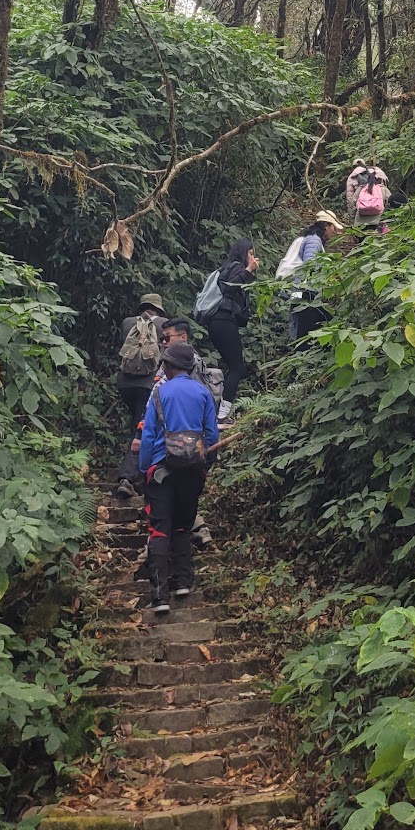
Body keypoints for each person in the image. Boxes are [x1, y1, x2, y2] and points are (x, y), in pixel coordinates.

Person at [138, 340, 219, 613]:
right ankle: (183, 582)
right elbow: (212, 435)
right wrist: (205, 464)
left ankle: (160, 596)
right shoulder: (202, 392)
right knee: (183, 526)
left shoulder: (160, 394)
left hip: (162, 470)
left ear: (169, 366)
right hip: (192, 471)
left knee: (159, 528)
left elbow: (148, 435)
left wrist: (143, 468)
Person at [116, 292, 166, 499]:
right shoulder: (165, 324)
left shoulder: (128, 323)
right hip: (148, 384)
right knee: (142, 427)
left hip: (125, 383)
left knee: (137, 422)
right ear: (158, 309)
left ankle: (137, 469)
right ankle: (127, 478)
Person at [206, 238, 259, 425]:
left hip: (217, 323)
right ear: (244, 253)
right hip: (224, 321)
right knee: (237, 367)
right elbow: (229, 288)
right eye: (250, 253)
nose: (253, 258)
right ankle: (222, 414)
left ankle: (217, 410)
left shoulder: (227, 267)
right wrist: (249, 270)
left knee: (231, 366)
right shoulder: (237, 267)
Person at [283, 210, 344, 339]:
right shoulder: (314, 241)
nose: (334, 232)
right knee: (311, 327)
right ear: (326, 226)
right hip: (306, 294)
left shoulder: (311, 239)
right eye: (333, 227)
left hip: (299, 292)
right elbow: (309, 266)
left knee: (303, 327)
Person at [346, 161, 389, 225]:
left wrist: (352, 220)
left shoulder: (360, 189)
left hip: (360, 224)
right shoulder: (383, 190)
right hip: (377, 223)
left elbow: (352, 203)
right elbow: (389, 203)